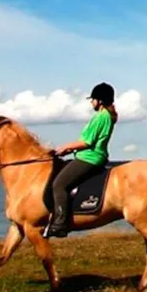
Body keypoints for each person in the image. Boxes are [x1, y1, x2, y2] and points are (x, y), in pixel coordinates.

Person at [46, 82, 118, 237]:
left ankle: (60, 223)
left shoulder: (101, 117)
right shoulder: (105, 116)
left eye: (93, 99)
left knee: (59, 184)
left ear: (100, 100)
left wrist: (65, 147)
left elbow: (87, 142)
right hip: (90, 156)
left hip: (90, 158)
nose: (91, 102)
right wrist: (70, 150)